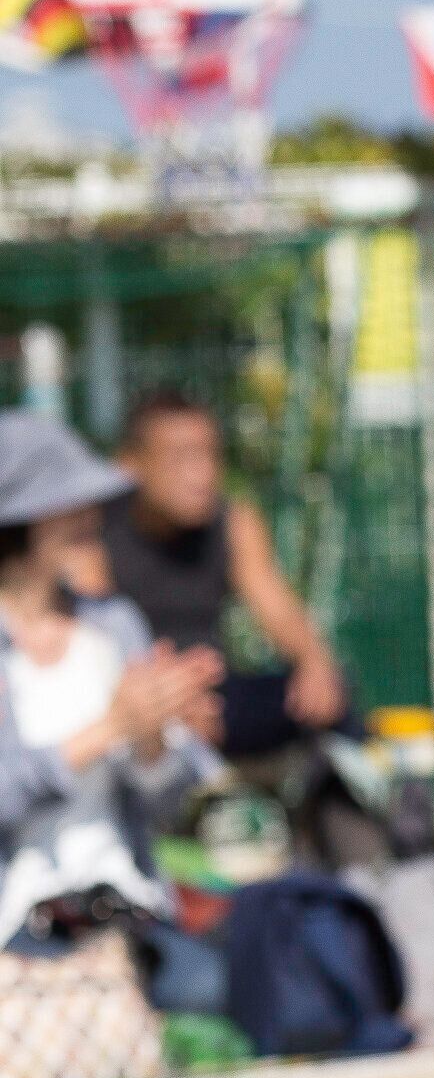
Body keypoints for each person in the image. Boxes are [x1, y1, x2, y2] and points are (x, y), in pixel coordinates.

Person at [0, 412, 228, 1013]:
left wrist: (160, 738)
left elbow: (171, 802)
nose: (88, 519)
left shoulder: (113, 625)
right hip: (18, 921)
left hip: (126, 905)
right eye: (66, 507)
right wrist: (106, 732)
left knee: (203, 988)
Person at [103, 390, 347, 757]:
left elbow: (275, 605)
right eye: (180, 458)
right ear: (131, 464)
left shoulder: (233, 522)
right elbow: (92, 638)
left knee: (328, 697)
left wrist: (312, 659)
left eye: (210, 454)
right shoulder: (94, 531)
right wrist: (169, 704)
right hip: (131, 704)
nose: (202, 473)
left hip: (216, 700)